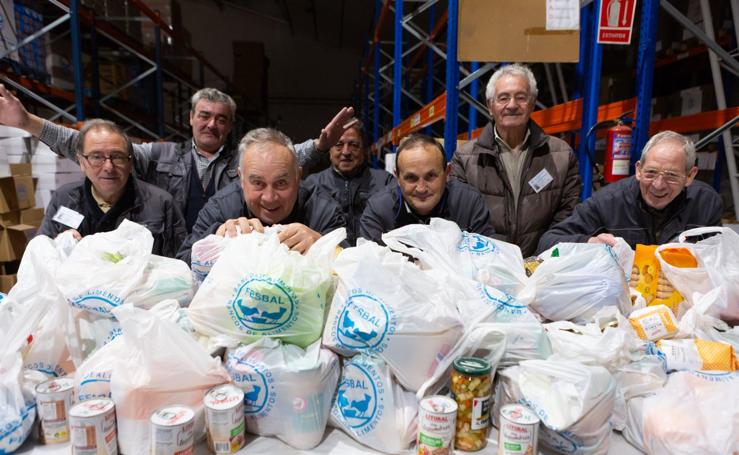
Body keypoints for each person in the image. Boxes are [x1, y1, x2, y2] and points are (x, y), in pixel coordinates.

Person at [0, 84, 354, 232]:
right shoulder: (160, 155)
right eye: (204, 115)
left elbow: (283, 162)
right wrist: (28, 123)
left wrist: (322, 146)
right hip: (179, 257)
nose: (211, 124)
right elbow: (96, 147)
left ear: (230, 126)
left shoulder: (246, 160)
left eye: (221, 118)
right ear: (190, 118)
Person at [449, 64, 581, 257]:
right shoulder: (465, 158)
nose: (512, 105)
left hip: (543, 265)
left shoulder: (561, 154)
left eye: (521, 97)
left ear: (532, 103)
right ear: (490, 106)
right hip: (486, 267)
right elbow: (461, 219)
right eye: (503, 98)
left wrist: (543, 257)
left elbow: (568, 215)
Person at [176, 127, 346, 264]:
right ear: (241, 179)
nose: (269, 197)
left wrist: (322, 244)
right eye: (258, 183)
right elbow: (182, 267)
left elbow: (353, 269)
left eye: (281, 183)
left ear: (297, 176)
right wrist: (216, 238)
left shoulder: (323, 209)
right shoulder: (220, 208)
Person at [537, 131, 723, 251]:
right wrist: (589, 242)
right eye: (651, 173)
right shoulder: (609, 202)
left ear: (690, 176)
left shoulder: (706, 203)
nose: (658, 185)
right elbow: (548, 242)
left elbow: (720, 260)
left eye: (671, 176)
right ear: (638, 170)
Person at [39, 119, 186, 257]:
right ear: (82, 162)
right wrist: (59, 246)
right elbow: (40, 257)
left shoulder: (160, 203)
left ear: (130, 163)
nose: (109, 167)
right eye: (97, 157)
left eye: (118, 157)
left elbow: (178, 265)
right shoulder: (64, 199)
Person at [359, 134, 494, 243]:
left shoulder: (469, 204)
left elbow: (489, 260)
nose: (421, 188)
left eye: (430, 176)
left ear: (447, 172)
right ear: (397, 177)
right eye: (411, 178)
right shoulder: (378, 211)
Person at [303, 118, 395, 245]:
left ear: (363, 149)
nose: (346, 152)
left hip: (373, 259)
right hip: (327, 260)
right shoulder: (312, 185)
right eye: (339, 145)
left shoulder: (385, 182)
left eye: (353, 145)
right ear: (329, 149)